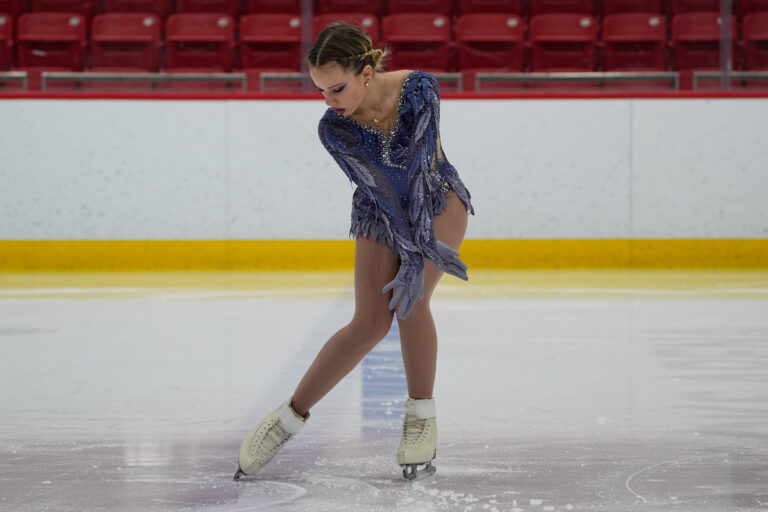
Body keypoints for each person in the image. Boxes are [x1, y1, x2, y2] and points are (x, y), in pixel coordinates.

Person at [233, 22, 474, 482]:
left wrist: (420, 251)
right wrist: (409, 250)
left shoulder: (419, 89)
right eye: (320, 91)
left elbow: (421, 170)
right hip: (378, 212)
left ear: (366, 72)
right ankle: (286, 420)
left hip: (437, 199)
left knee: (410, 301)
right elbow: (381, 191)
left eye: (337, 88)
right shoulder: (333, 129)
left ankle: (421, 418)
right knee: (368, 323)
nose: (329, 101)